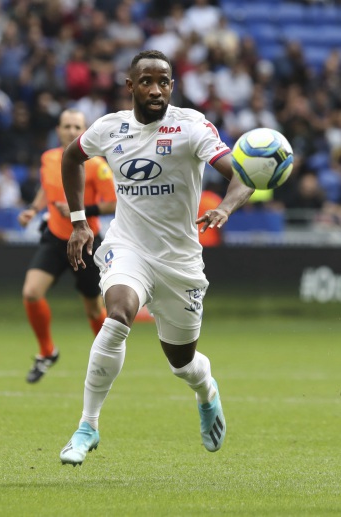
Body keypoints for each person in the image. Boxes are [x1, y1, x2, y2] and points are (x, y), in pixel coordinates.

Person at [58, 50, 254, 466]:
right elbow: (71, 157)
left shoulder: (191, 126)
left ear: (172, 86)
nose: (155, 89)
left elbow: (241, 174)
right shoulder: (110, 128)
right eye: (146, 81)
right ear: (130, 86)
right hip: (128, 246)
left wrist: (226, 208)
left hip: (180, 261)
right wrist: (79, 222)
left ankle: (206, 392)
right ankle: (87, 427)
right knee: (117, 316)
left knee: (182, 363)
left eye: (163, 82)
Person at [17, 109, 117, 383]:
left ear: (85, 131)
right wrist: (33, 209)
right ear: (58, 129)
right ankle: (47, 351)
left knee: (94, 310)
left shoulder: (97, 165)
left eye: (77, 127)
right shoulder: (49, 158)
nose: (72, 131)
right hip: (54, 237)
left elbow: (113, 202)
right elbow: (46, 188)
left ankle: (108, 356)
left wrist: (79, 211)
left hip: (84, 241)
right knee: (31, 292)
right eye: (67, 126)